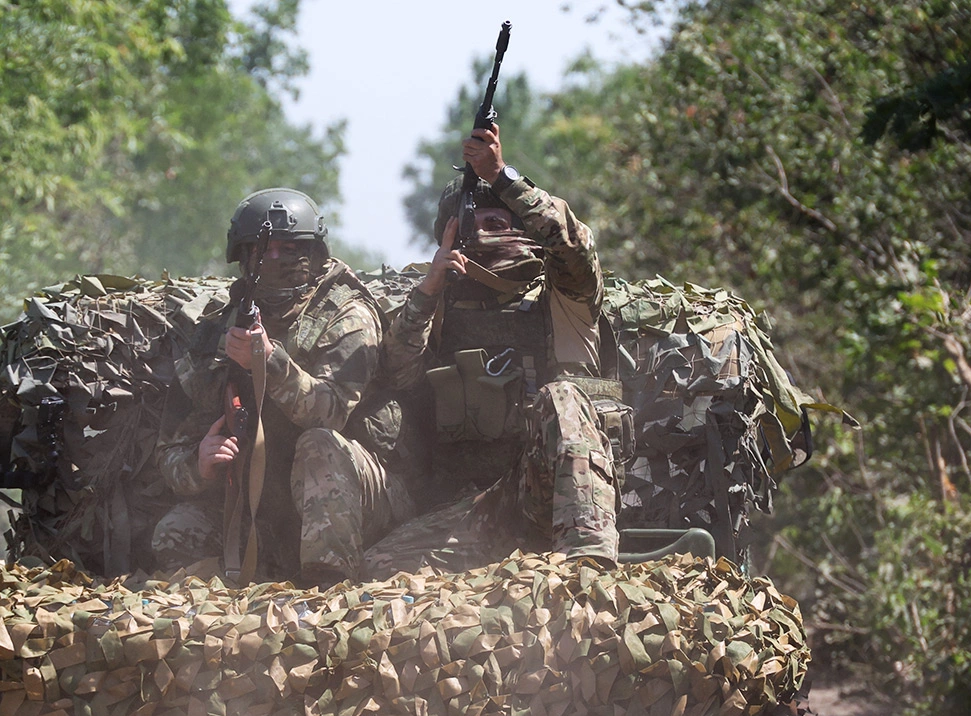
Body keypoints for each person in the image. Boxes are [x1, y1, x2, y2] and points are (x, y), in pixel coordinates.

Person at [366, 123, 625, 577]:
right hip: (475, 510)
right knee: (376, 569)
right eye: (479, 220)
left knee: (561, 397)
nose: (495, 227)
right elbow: (395, 375)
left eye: (503, 218)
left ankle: (588, 571)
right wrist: (429, 291)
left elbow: (573, 247)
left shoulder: (563, 296)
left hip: (550, 498)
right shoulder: (435, 305)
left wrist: (501, 175)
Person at [152, 188, 415, 584]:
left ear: (314, 254)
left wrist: (269, 361)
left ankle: (329, 594)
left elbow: (330, 414)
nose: (275, 260)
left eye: (289, 249)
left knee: (319, 446)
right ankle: (238, 611)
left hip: (359, 496)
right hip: (267, 506)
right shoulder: (216, 332)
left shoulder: (346, 315)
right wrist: (198, 463)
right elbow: (169, 448)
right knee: (173, 534)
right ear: (243, 258)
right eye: (262, 251)